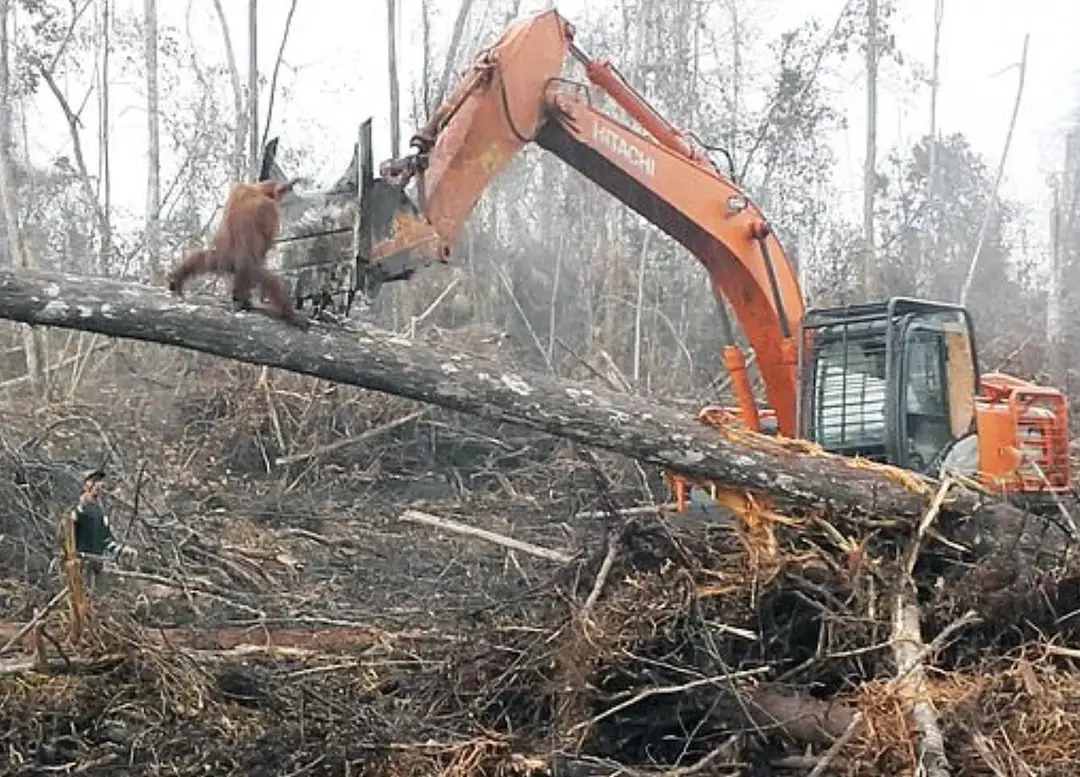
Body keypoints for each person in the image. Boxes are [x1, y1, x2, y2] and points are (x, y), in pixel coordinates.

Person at [71, 469, 136, 591]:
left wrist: (121, 550)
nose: (98, 485)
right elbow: (67, 538)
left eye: (99, 481)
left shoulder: (100, 512)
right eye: (94, 481)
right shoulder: (77, 510)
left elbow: (106, 540)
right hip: (80, 567)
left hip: (97, 566)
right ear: (85, 485)